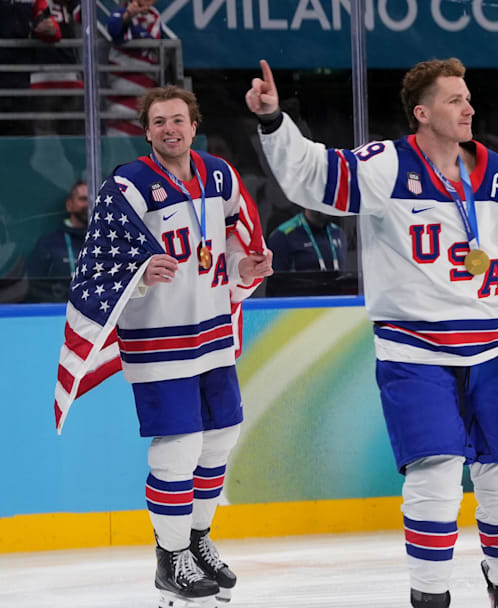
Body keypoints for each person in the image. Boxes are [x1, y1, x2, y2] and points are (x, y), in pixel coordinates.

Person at [247, 57, 498, 608]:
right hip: (415, 350)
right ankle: (431, 598)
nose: (468, 107)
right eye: (453, 100)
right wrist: (275, 121)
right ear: (421, 113)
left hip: (496, 348)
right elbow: (313, 176)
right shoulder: (385, 166)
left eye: (468, 98)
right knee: (436, 476)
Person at [107, 85, 273, 606]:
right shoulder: (128, 184)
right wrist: (137, 273)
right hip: (158, 339)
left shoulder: (218, 174)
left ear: (194, 124)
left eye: (178, 120)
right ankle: (169, 557)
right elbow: (99, 266)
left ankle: (197, 541)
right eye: (159, 122)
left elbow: (230, 251)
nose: (170, 129)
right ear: (147, 130)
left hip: (212, 334)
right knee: (178, 449)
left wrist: (245, 274)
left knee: (222, 435)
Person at [105, 0, 162, 136]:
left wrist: (138, 34)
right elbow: (114, 30)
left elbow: (153, 41)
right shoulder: (121, 12)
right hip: (121, 96)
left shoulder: (154, 16)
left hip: (146, 95)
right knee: (119, 145)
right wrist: (129, 14)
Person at [25, 180, 88, 301]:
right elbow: (34, 288)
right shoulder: (48, 244)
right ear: (69, 205)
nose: (88, 204)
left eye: (92, 199)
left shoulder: (105, 243)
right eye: (82, 199)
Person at [267, 209, 346, 272]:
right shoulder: (283, 235)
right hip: (300, 291)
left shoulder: (338, 232)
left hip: (336, 291)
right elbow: (276, 284)